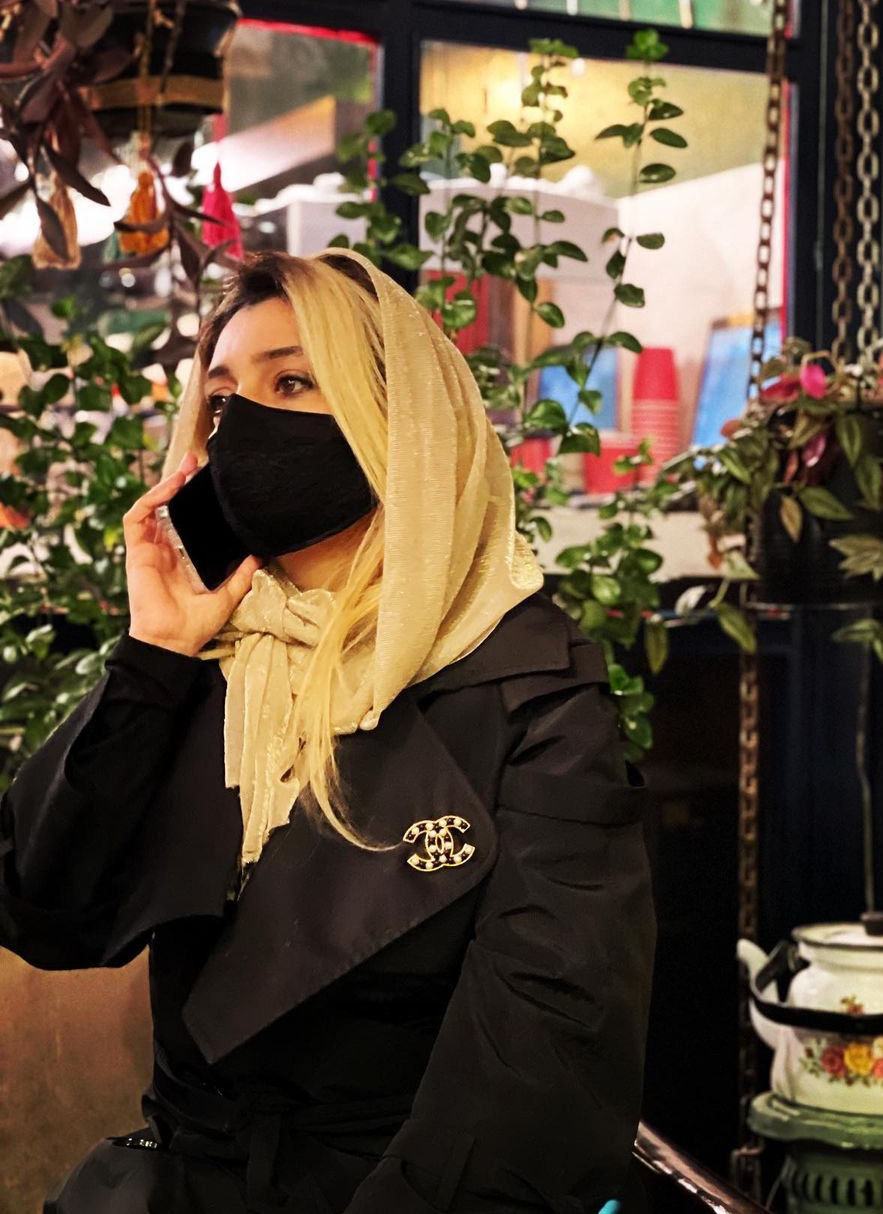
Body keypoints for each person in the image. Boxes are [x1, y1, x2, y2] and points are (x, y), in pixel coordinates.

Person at [0, 248, 657, 1214]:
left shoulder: (529, 688)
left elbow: (544, 1063)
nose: (244, 426)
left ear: (401, 419)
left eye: (293, 382)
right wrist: (153, 657)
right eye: (223, 399)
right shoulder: (210, 659)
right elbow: (44, 912)